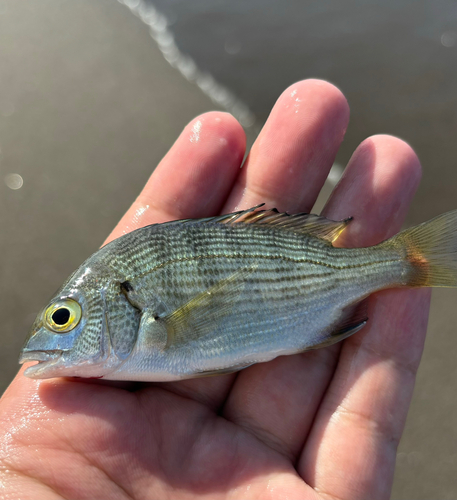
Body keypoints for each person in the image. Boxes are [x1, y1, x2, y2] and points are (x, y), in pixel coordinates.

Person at [0, 79, 430, 500]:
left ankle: (406, 261)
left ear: (124, 303)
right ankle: (406, 261)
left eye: (64, 318)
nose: (55, 334)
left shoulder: (140, 335)